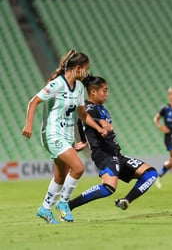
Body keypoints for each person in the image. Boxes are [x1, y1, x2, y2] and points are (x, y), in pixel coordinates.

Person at [22, 50, 107, 224]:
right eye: (86, 69)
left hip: (67, 136)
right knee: (78, 167)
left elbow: (83, 115)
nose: (87, 72)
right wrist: (28, 124)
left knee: (60, 175)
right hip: (52, 133)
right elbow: (33, 102)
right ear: (77, 68)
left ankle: (45, 208)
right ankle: (64, 203)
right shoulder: (57, 84)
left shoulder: (79, 88)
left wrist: (98, 127)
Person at [68, 75, 158, 211]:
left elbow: (81, 122)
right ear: (93, 91)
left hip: (116, 153)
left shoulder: (100, 108)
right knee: (109, 188)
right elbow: (84, 118)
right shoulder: (88, 108)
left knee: (150, 174)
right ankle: (68, 205)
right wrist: (100, 123)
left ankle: (125, 200)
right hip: (104, 154)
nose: (107, 94)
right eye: (104, 91)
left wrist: (83, 141)